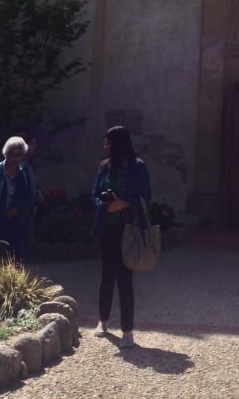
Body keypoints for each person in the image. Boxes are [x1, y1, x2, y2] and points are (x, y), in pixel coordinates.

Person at [91, 126, 151, 349]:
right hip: (107, 228)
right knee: (106, 276)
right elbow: (94, 194)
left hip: (128, 229)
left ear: (117, 144)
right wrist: (104, 205)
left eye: (108, 142)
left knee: (125, 279)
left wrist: (123, 203)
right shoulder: (104, 167)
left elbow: (146, 196)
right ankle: (103, 321)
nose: (105, 146)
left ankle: (127, 331)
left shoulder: (138, 168)